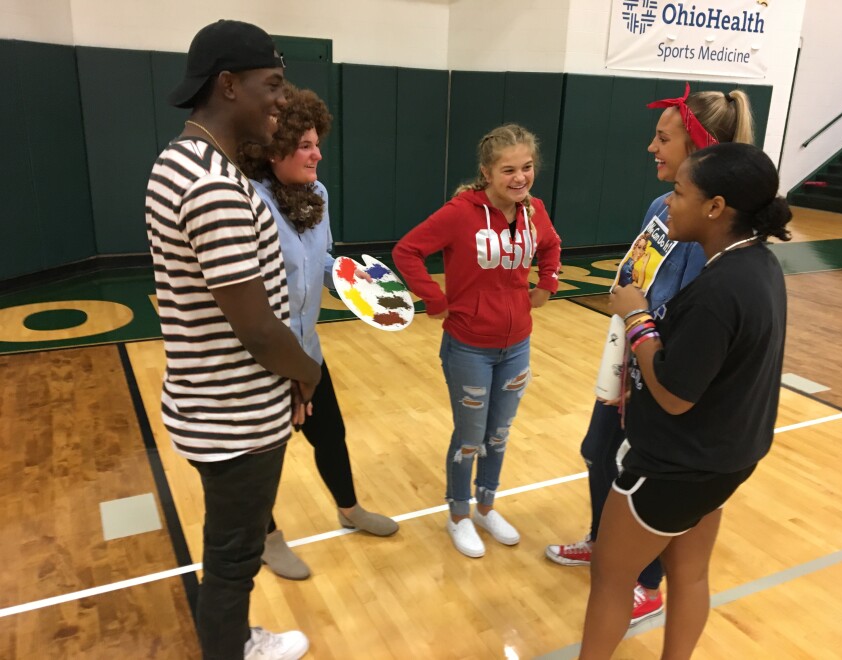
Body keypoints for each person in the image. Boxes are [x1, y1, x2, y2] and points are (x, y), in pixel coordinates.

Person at [546, 83, 755, 626]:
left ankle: (645, 582)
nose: (651, 147)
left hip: (658, 367)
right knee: (598, 450)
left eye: (663, 137)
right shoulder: (658, 208)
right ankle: (603, 540)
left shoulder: (710, 234)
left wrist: (639, 318)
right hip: (626, 354)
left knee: (646, 477)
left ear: (701, 151)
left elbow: (682, 317)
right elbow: (640, 280)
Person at [145, 20, 319, 660]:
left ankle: (238, 637)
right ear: (227, 85)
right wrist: (308, 374)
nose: (280, 99)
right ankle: (230, 647)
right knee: (233, 558)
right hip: (234, 417)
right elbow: (255, 327)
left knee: (230, 549)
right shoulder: (214, 185)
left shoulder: (178, 160)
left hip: (210, 403)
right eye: (270, 84)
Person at [578, 141, 791, 658]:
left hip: (674, 465)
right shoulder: (760, 267)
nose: (668, 202)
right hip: (727, 459)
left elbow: (673, 395)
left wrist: (637, 317)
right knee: (690, 574)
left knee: (610, 575)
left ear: (715, 207)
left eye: (679, 192)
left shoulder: (720, 291)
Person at [238, 82, 398, 581]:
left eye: (317, 142)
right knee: (264, 453)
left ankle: (349, 509)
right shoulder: (247, 201)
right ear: (274, 148)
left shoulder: (317, 194)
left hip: (308, 348)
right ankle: (265, 537)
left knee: (330, 432)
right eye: (305, 145)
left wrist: (362, 287)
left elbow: (319, 260)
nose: (317, 154)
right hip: (262, 355)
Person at [393, 124, 562, 558]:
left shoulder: (534, 211)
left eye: (527, 168)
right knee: (470, 437)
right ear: (487, 172)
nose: (520, 178)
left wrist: (548, 283)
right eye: (509, 170)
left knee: (499, 435)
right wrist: (434, 298)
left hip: (517, 346)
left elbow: (551, 245)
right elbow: (407, 251)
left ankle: (486, 506)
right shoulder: (461, 212)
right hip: (468, 347)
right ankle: (458, 515)